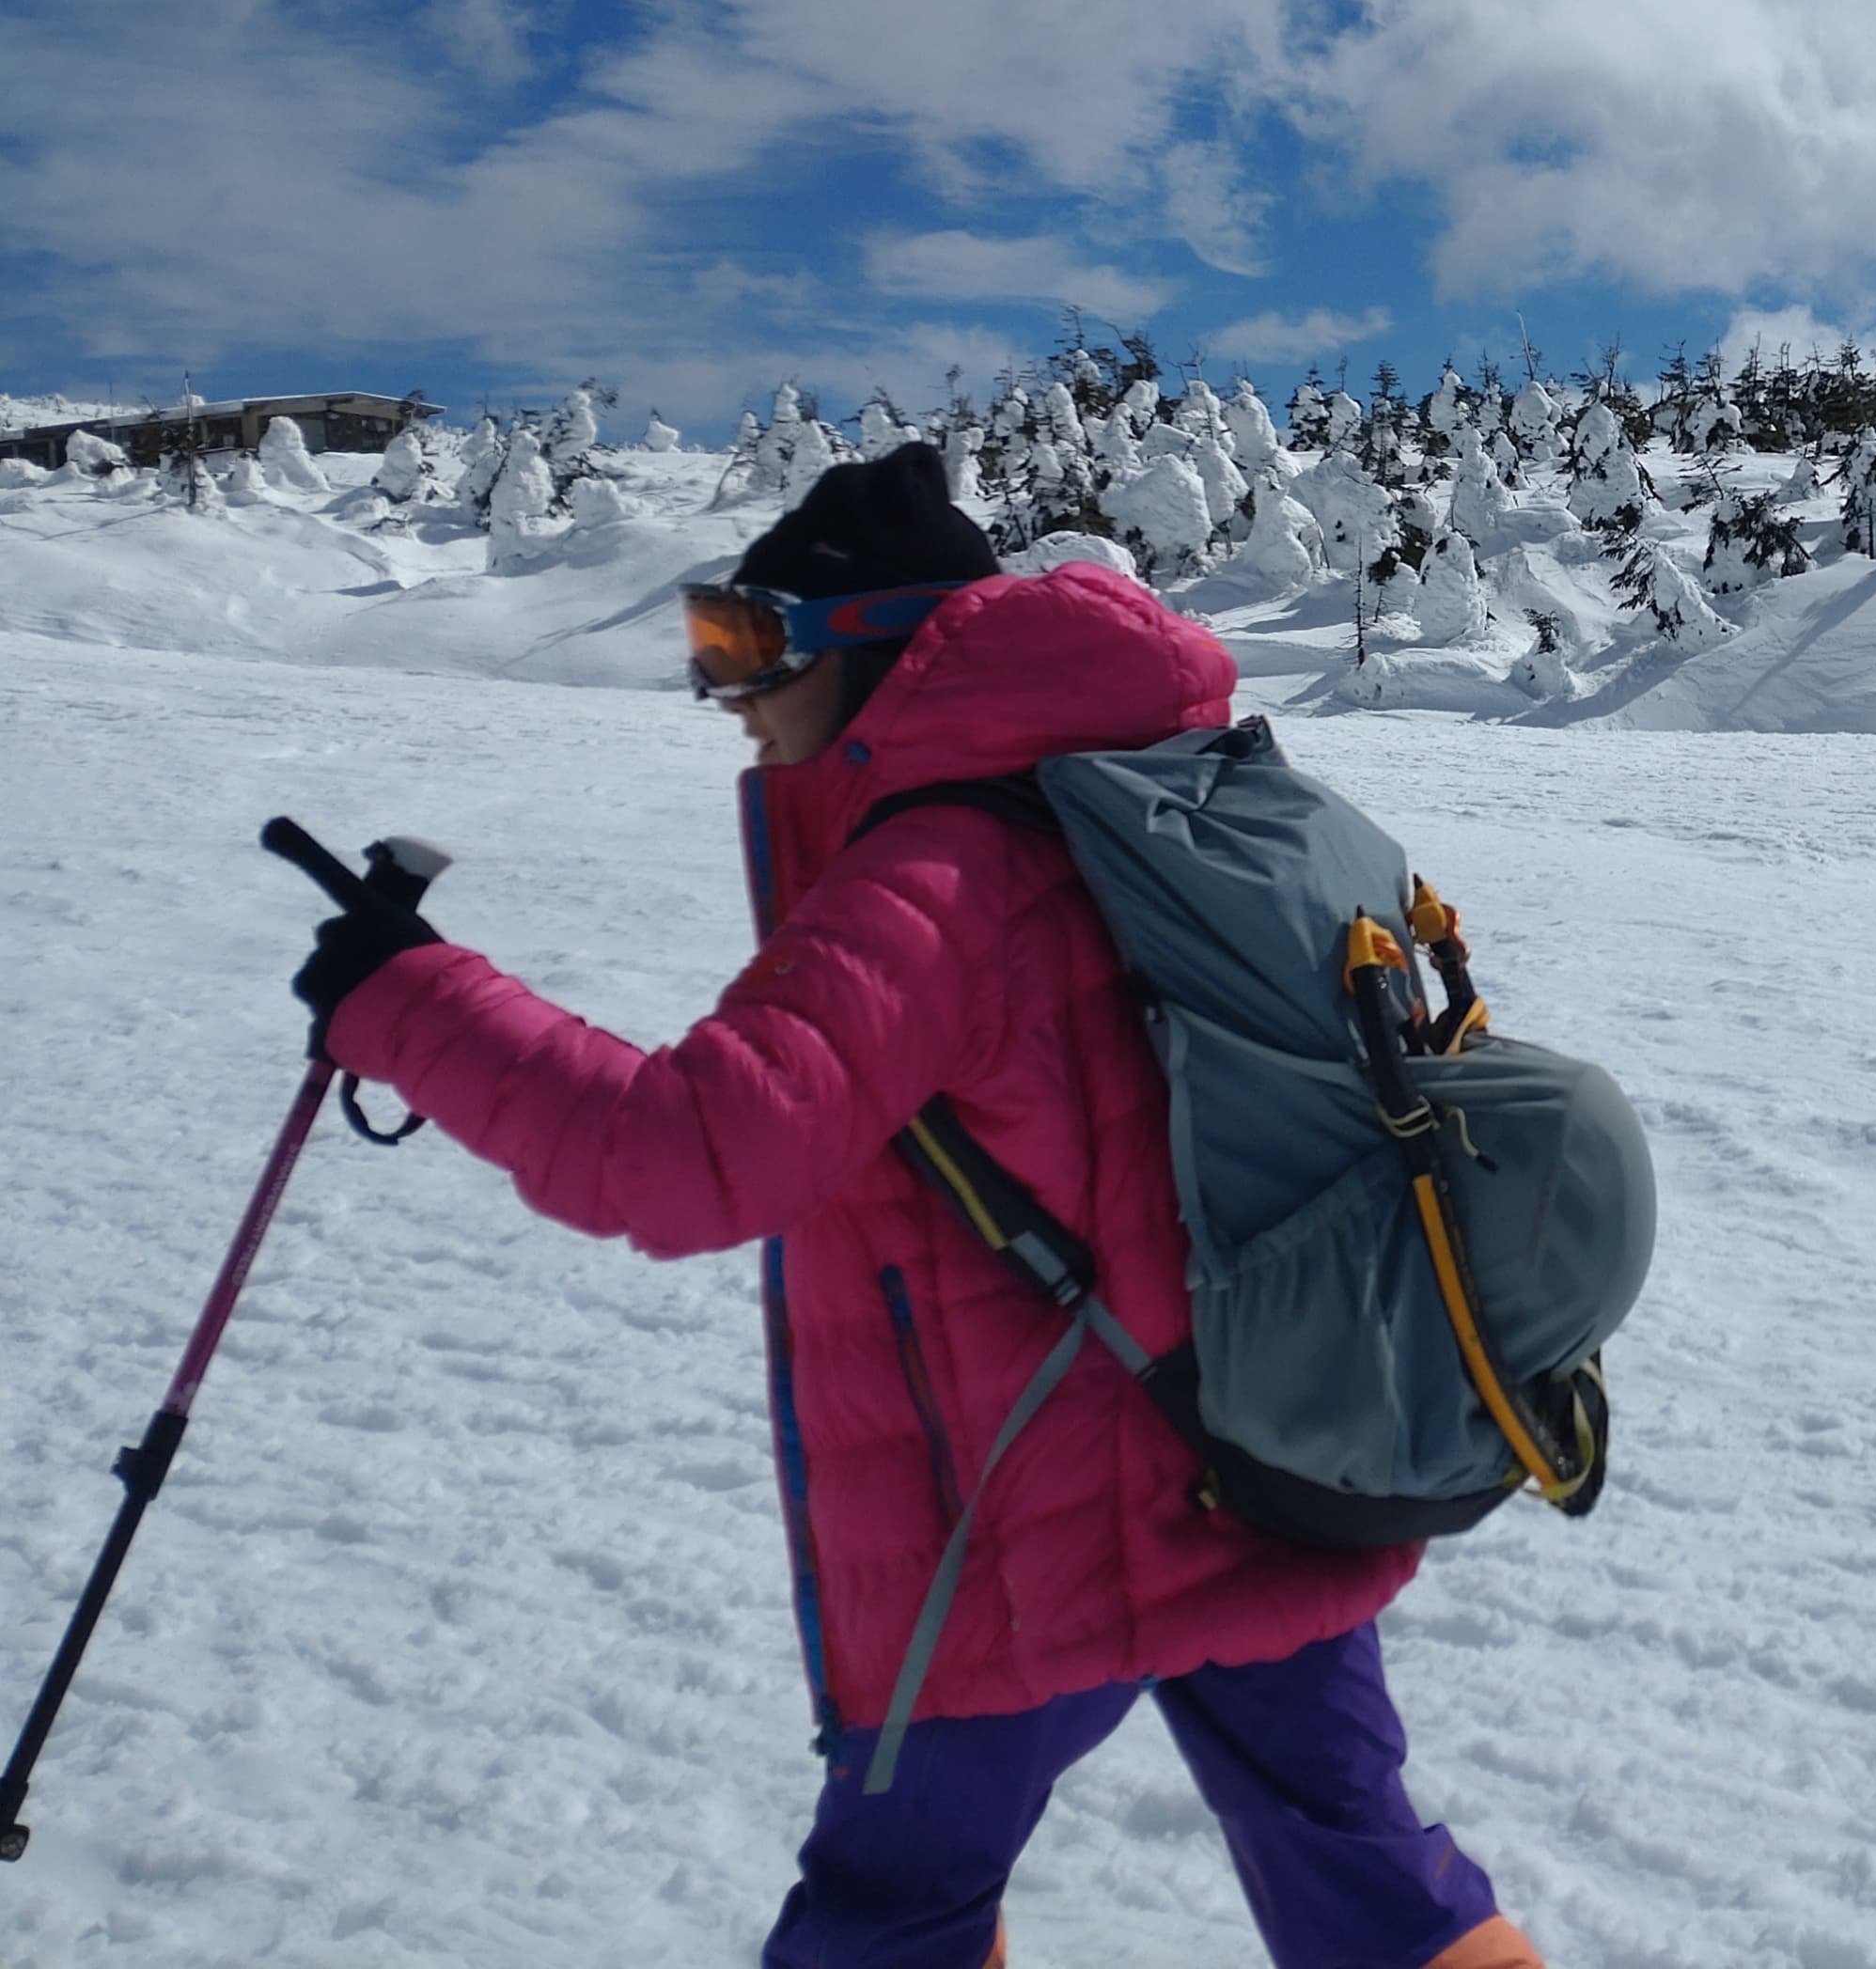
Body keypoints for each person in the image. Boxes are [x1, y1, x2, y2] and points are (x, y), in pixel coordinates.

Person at [296, 444, 1542, 1969]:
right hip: (1254, 1460)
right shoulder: (1152, 806)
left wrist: (399, 998)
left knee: (890, 1919)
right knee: (1373, 1882)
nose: (731, 695)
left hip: (1020, 1542)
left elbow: (689, 1156)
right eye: (711, 645)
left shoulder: (936, 876)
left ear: (874, 649)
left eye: (751, 646)